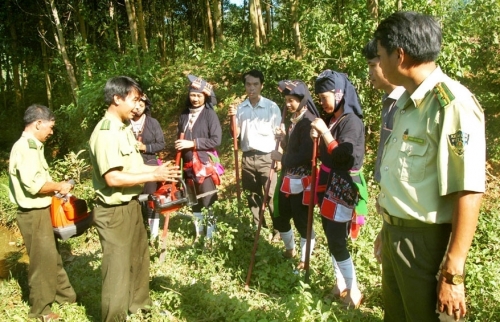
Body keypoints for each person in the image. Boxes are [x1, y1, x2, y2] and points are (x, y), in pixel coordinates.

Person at [374, 11, 485, 321]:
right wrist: (389, 227)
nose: (379, 65)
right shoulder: (407, 105)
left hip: (427, 244)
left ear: (400, 55)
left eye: (381, 56)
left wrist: (453, 273)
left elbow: (468, 190)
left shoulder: (451, 105)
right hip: (399, 238)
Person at [88, 76, 180, 322]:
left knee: (139, 258)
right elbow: (113, 178)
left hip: (130, 205)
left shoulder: (123, 128)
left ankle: (140, 308)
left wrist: (158, 172)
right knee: (117, 269)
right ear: (117, 99)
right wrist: (154, 172)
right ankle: (114, 318)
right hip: (113, 210)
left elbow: (135, 166)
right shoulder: (106, 132)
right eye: (134, 100)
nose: (138, 106)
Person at [8, 104, 76, 321]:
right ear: (38, 123)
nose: (52, 132)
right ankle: (40, 311)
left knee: (52, 257)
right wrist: (60, 186)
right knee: (41, 263)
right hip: (32, 214)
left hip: (40, 210)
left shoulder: (33, 146)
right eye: (50, 127)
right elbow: (35, 185)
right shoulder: (26, 148)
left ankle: (66, 296)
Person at [310, 70, 367, 308]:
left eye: (324, 97)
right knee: (331, 236)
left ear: (339, 93)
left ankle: (354, 290)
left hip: (343, 187)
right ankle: (340, 282)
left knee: (337, 239)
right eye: (319, 98)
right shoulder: (335, 119)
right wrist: (319, 135)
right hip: (329, 184)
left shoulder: (351, 121)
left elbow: (345, 156)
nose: (321, 103)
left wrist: (324, 133)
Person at [361, 38, 405, 263]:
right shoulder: (388, 101)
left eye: (372, 65)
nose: (369, 72)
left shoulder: (409, 103)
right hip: (390, 203)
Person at [271, 80, 320, 269]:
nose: (288, 104)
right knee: (280, 214)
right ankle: (290, 249)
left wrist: (282, 159)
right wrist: (283, 140)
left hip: (302, 180)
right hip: (288, 177)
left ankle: (304, 259)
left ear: (302, 99)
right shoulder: (295, 119)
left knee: (301, 219)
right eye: (286, 100)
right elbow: (293, 149)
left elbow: (306, 155)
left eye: (292, 100)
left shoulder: (307, 121)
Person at [228, 69, 282, 235]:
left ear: (261, 86)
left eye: (255, 84)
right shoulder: (240, 109)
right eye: (248, 84)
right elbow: (235, 134)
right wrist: (232, 118)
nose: (251, 88)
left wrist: (279, 157)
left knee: (271, 195)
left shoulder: (271, 107)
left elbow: (279, 134)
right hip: (248, 158)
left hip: (267, 157)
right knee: (252, 196)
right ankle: (260, 229)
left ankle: (279, 231)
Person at [175, 75, 222, 240]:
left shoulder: (210, 115)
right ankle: (199, 234)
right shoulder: (184, 115)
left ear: (205, 97)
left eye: (199, 95)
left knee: (208, 200)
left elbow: (216, 139)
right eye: (192, 95)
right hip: (187, 165)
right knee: (193, 201)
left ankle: (211, 238)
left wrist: (192, 143)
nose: (195, 99)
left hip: (204, 164)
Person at [130, 93, 165, 239]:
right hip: (131, 166)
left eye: (141, 105)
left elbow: (161, 144)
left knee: (151, 198)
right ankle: (138, 231)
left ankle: (154, 234)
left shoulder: (153, 123)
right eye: (135, 104)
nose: (138, 108)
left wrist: (145, 147)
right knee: (135, 199)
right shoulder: (124, 124)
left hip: (150, 164)